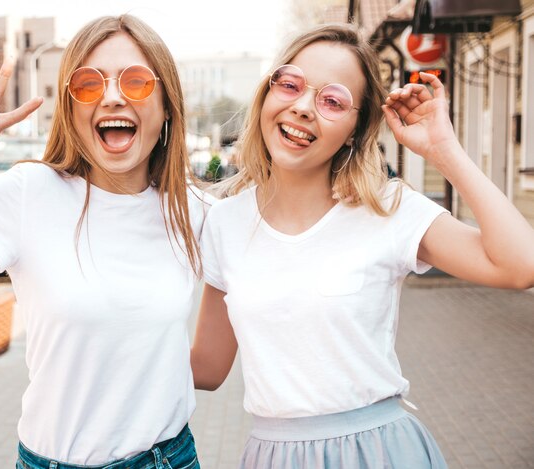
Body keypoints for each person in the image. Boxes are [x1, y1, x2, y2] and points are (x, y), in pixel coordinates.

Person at [190, 23, 534, 469]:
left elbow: (520, 266)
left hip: (378, 453)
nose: (302, 108)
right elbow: (208, 368)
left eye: (332, 101)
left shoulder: (386, 209)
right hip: (273, 456)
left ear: (355, 129)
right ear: (266, 94)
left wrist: (445, 150)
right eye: (290, 84)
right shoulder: (226, 222)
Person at [0, 15, 205, 469]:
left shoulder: (193, 211)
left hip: (167, 458)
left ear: (167, 107)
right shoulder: (31, 191)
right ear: (70, 109)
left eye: (136, 81)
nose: (111, 97)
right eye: (88, 84)